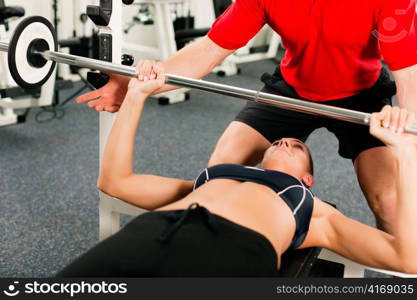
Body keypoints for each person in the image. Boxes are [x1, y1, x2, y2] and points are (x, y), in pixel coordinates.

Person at [76, 0, 417, 233]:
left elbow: (409, 75)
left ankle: (401, 274)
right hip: (292, 89)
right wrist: (140, 86)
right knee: (217, 175)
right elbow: (210, 49)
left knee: (389, 202)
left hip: (363, 97)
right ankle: (220, 254)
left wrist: (405, 122)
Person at [57, 64, 417, 277]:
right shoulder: (208, 180)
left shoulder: (315, 212)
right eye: (283, 140)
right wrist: (136, 95)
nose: (286, 142)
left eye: (298, 147)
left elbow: (408, 257)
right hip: (150, 235)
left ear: (308, 181)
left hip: (232, 254)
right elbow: (114, 182)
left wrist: (404, 151)